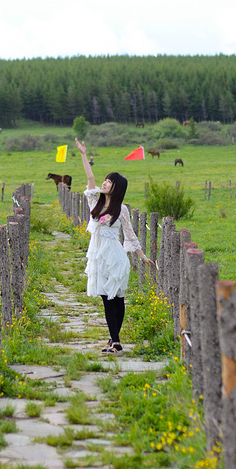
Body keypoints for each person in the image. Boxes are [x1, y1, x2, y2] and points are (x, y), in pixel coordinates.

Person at [75, 137, 155, 354]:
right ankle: (114, 339)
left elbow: (130, 235)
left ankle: (116, 341)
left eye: (109, 182)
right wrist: (83, 154)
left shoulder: (122, 210)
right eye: (105, 180)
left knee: (116, 298)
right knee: (107, 298)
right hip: (98, 256)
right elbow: (89, 177)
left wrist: (141, 256)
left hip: (114, 256)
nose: (104, 183)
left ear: (116, 187)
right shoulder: (96, 202)